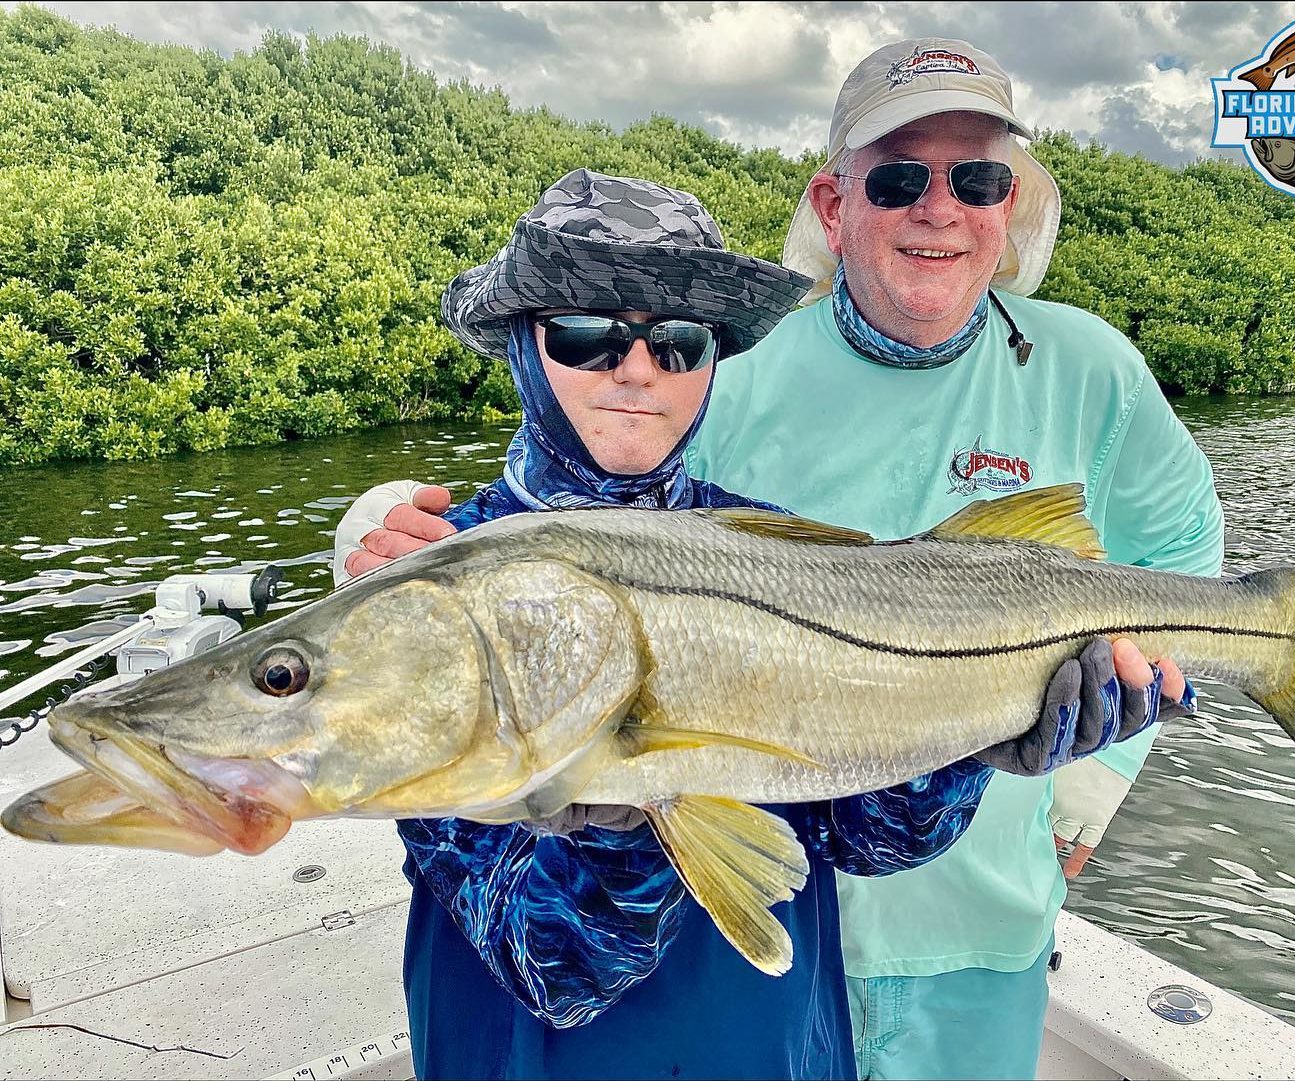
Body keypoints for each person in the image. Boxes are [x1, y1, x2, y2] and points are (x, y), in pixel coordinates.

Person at [332, 168, 1174, 1080]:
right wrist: (626, 825)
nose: (637, 368)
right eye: (585, 333)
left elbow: (866, 838)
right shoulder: (425, 588)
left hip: (778, 1047)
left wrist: (972, 739)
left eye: (681, 341)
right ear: (521, 348)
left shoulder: (760, 541)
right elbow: (556, 968)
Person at [683, 38, 1225, 1081]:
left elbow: (1182, 550)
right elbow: (593, 522)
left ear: (1009, 205)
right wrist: (391, 532)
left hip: (987, 916)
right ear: (834, 209)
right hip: (763, 913)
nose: (941, 207)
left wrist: (1100, 776)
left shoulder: (1091, 368)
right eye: (897, 177)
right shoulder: (728, 379)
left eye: (977, 177)